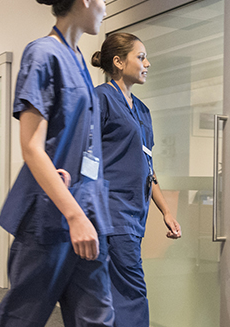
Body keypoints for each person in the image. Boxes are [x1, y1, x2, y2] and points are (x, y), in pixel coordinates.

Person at [0, 0, 114, 326]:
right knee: (23, 317)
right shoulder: (42, 54)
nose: (105, 8)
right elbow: (31, 146)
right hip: (51, 218)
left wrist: (83, 213)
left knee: (97, 317)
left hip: (88, 213)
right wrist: (73, 214)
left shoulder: (77, 59)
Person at [91, 33, 182, 327]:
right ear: (118, 62)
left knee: (115, 295)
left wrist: (166, 211)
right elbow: (86, 156)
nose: (148, 63)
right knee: (132, 293)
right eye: (141, 57)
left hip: (134, 214)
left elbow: (147, 166)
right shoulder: (100, 99)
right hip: (111, 211)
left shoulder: (142, 110)